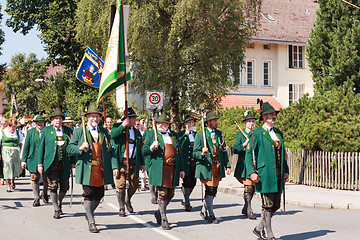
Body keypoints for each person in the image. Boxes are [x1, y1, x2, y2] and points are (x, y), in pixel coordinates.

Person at [67, 103, 119, 233]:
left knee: (99, 194)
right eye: (92, 116)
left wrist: (115, 166)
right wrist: (80, 147)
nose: (94, 119)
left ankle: (88, 212)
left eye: (96, 116)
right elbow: (69, 148)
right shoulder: (79, 131)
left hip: (101, 169)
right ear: (88, 117)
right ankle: (91, 221)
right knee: (88, 194)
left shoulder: (104, 132)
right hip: (86, 169)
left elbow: (111, 151)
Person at [245, 102, 289, 240]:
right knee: (268, 205)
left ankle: (259, 228)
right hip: (265, 174)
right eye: (270, 115)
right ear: (264, 117)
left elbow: (283, 154)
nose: (273, 117)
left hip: (278, 173)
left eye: (274, 114)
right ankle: (269, 234)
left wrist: (286, 170)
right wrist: (252, 172)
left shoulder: (278, 133)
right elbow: (248, 155)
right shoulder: (257, 134)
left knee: (276, 204)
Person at [142, 112, 184, 230]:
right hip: (160, 169)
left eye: (164, 123)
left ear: (168, 124)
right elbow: (144, 151)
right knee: (163, 193)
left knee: (171, 194)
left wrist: (181, 169)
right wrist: (151, 147)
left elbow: (179, 154)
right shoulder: (151, 135)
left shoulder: (174, 136)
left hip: (172, 169)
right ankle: (164, 218)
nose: (161, 125)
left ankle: (159, 212)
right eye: (159, 123)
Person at [193, 110, 231, 224]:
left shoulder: (219, 134)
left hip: (217, 166)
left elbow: (223, 151)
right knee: (210, 189)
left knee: (213, 190)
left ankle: (203, 210)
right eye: (214, 120)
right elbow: (195, 153)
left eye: (216, 120)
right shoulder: (201, 134)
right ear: (208, 122)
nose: (216, 122)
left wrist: (227, 165)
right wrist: (202, 153)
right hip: (206, 167)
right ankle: (211, 214)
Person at [37, 108, 73, 219]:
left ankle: (59, 202)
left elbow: (73, 146)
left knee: (65, 187)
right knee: (52, 187)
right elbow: (41, 148)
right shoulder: (46, 131)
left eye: (60, 118)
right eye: (55, 119)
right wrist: (40, 164)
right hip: (51, 164)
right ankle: (56, 209)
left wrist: (74, 162)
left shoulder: (68, 130)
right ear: (52, 120)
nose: (58, 120)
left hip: (65, 163)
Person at [111, 108, 145, 217]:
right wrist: (123, 125)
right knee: (120, 185)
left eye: (135, 118)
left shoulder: (136, 132)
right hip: (121, 162)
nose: (135, 120)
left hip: (133, 162)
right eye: (132, 118)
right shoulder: (118, 128)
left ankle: (128, 199)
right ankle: (121, 207)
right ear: (127, 119)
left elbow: (140, 148)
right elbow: (113, 135)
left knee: (134, 185)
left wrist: (142, 163)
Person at [233, 111, 257, 220]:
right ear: (245, 123)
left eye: (253, 122)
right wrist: (243, 145)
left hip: (255, 165)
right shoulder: (240, 135)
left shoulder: (256, 134)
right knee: (248, 188)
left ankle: (245, 207)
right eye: (249, 122)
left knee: (253, 188)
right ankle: (249, 210)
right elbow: (235, 149)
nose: (251, 124)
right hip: (244, 166)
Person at [21, 114, 49, 206]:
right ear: (35, 123)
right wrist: (24, 160)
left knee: (46, 179)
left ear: (44, 123)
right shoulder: (30, 132)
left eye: (41, 122)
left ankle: (45, 193)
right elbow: (26, 147)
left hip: (45, 159)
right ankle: (36, 198)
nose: (40, 123)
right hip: (33, 158)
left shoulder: (48, 132)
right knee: (34, 177)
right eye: (38, 122)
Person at [178, 114, 197, 211]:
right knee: (187, 182)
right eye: (189, 122)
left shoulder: (196, 134)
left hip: (195, 163)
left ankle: (185, 197)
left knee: (193, 182)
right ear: (185, 124)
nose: (191, 124)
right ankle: (187, 202)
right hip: (185, 163)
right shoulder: (180, 135)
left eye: (192, 122)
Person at [0, 117, 23, 192]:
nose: (12, 128)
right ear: (7, 125)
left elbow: (21, 143)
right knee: (7, 166)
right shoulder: (2, 132)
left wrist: (21, 154)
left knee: (14, 167)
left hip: (16, 151)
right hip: (6, 150)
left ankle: (13, 180)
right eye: (10, 126)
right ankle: (8, 185)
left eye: (14, 126)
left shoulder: (18, 132)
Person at [0, 117, 7, 186]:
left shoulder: (8, 131)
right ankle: (2, 177)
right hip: (0, 147)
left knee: (6, 163)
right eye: (2, 124)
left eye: (5, 124)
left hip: (6, 148)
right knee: (1, 163)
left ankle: (6, 178)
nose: (3, 125)